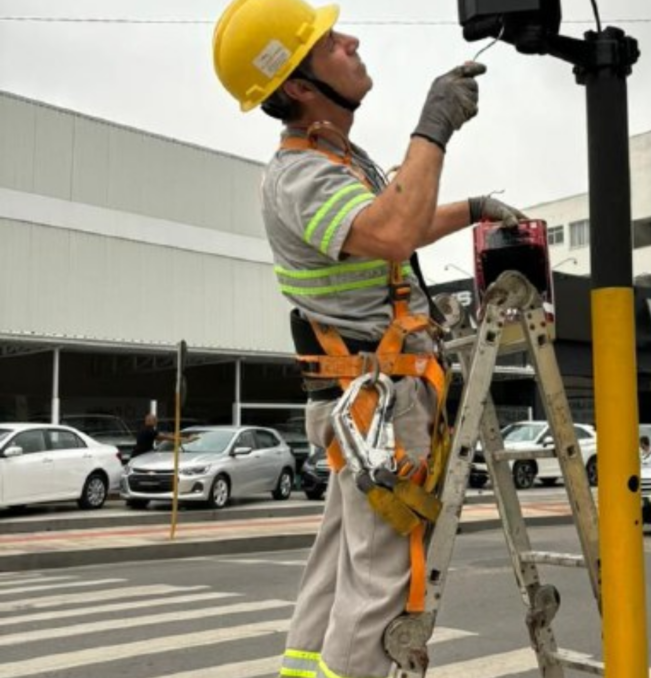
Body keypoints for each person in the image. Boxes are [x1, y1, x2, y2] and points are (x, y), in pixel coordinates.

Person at [212, 2, 526, 677]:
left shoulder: (336, 160)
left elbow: (393, 223)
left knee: (341, 562)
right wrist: (433, 126)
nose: (351, 41)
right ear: (300, 86)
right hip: (378, 399)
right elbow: (391, 230)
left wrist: (472, 209)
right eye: (329, 43)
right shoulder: (303, 175)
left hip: (363, 397)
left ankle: (304, 667)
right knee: (381, 582)